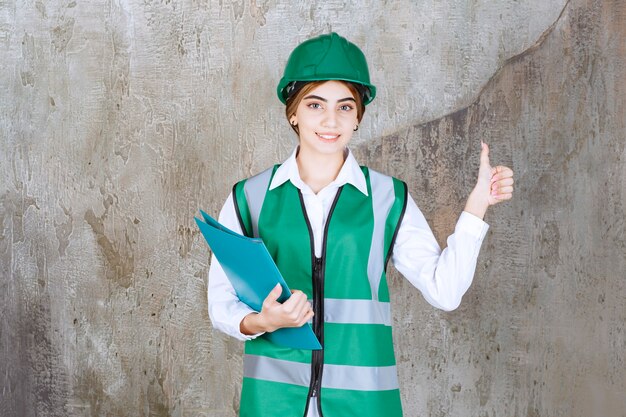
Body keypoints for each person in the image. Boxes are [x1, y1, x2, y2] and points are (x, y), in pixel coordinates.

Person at [207, 32, 514, 417]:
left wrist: (477, 206)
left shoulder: (389, 198)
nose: (330, 120)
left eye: (345, 107)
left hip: (364, 405)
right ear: (293, 112)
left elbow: (445, 291)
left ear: (358, 117)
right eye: (315, 104)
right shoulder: (248, 198)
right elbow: (220, 303)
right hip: (273, 402)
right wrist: (261, 321)